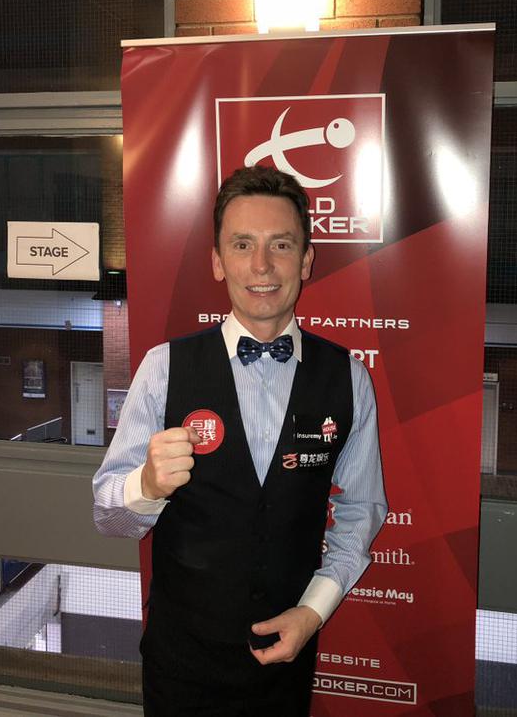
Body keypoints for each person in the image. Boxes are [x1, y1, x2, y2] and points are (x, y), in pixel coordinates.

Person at [93, 165, 386, 717]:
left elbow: (361, 512)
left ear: (306, 260)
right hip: (180, 665)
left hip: (284, 665)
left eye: (281, 245)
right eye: (243, 244)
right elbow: (107, 517)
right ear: (217, 260)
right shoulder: (163, 368)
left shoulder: (349, 378)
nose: (261, 266)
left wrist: (313, 612)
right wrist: (147, 486)